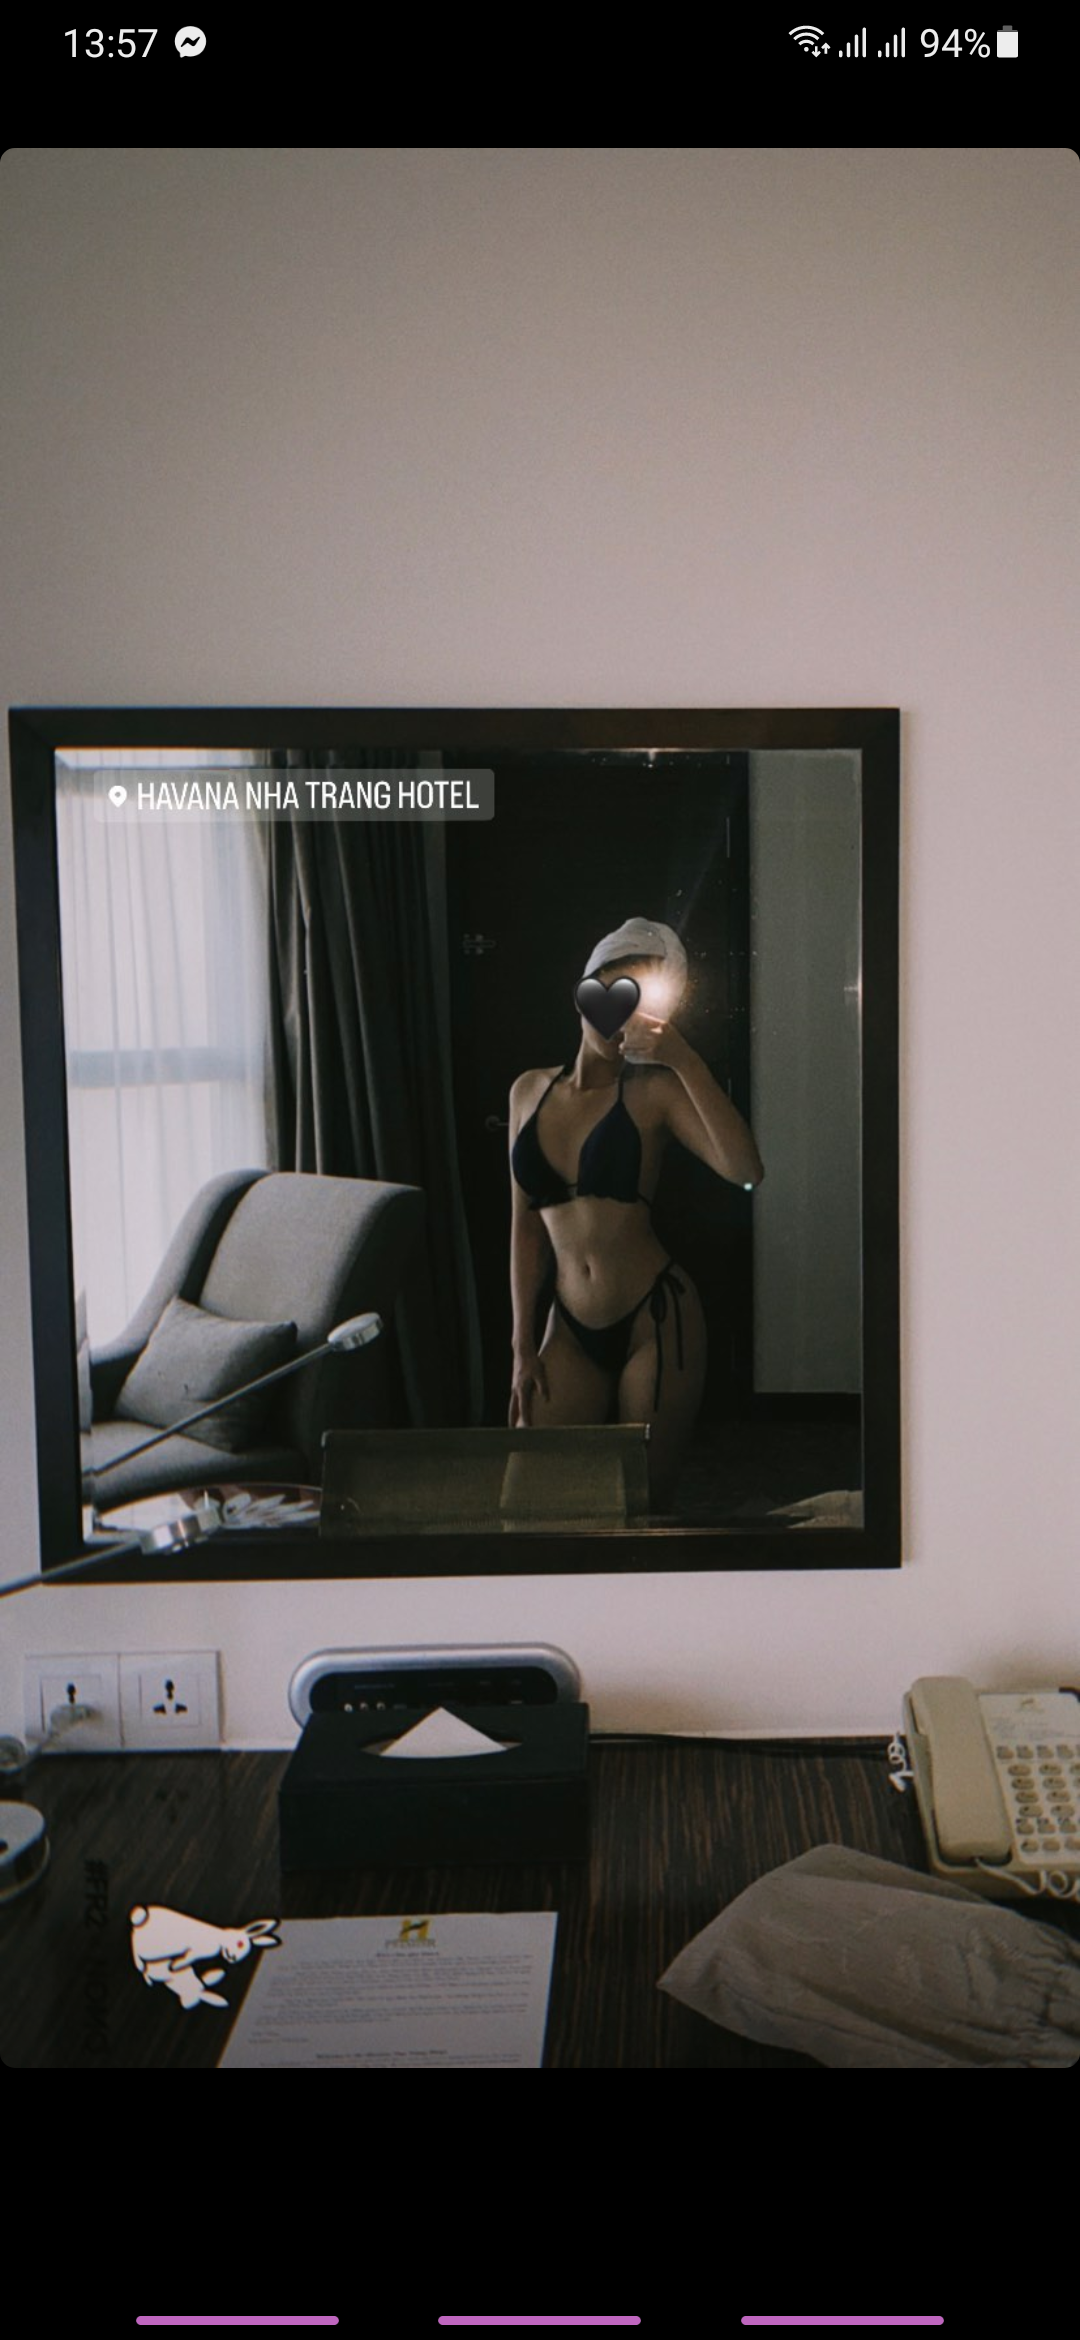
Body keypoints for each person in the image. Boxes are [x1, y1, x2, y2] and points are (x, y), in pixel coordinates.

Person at [508, 917, 764, 1513]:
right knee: (525, 1505)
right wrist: (522, 1345)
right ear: (584, 993)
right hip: (568, 1329)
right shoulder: (527, 1092)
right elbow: (523, 1227)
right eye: (611, 994)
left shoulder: (656, 1093)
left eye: (639, 1005)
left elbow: (745, 1169)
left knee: (643, 1505)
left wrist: (684, 1060)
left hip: (656, 1318)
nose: (619, 1019)